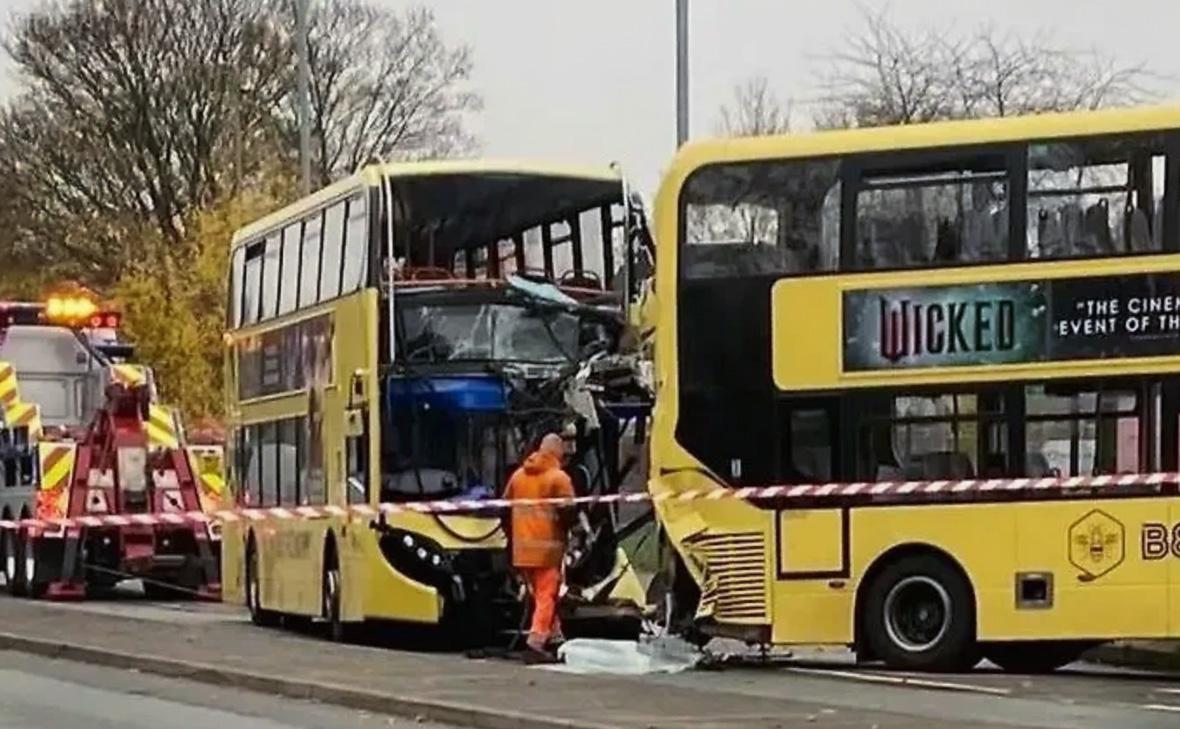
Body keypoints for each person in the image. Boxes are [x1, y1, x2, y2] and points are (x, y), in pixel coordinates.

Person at [503, 432, 575, 663]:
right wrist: (569, 534)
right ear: (558, 453)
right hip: (547, 550)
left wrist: (512, 537)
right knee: (548, 596)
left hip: (521, 550)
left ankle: (554, 636)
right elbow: (568, 513)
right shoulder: (559, 478)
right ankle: (536, 642)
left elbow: (503, 509)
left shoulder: (517, 476)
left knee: (540, 597)